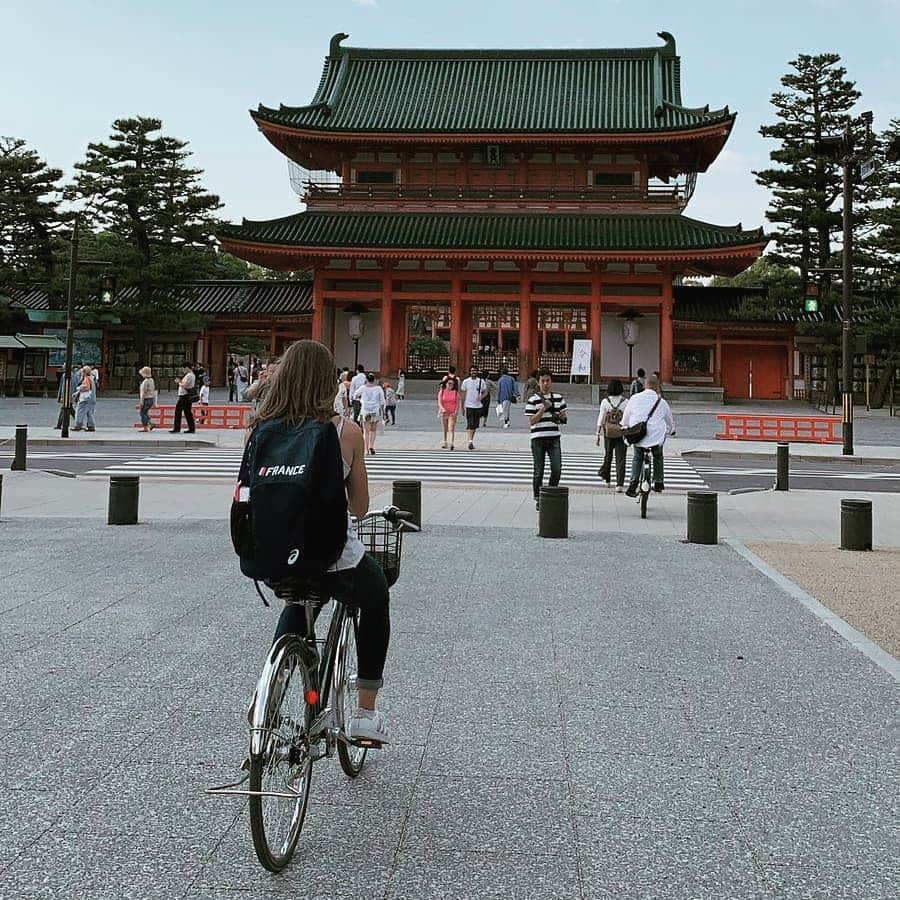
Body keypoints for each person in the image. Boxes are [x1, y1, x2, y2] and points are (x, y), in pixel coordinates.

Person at [252, 339, 391, 744]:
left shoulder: (260, 429)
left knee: (299, 600)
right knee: (376, 596)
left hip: (274, 554)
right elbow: (361, 507)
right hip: (333, 556)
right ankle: (365, 711)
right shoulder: (344, 432)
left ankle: (269, 695)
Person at [622, 373, 675, 496]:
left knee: (637, 457)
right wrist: (672, 430)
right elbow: (670, 422)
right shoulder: (662, 402)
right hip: (656, 438)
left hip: (637, 436)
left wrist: (625, 426)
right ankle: (658, 482)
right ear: (657, 387)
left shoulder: (634, 398)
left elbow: (625, 419)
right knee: (658, 456)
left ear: (645, 386)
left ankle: (633, 483)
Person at [525, 368, 567, 510]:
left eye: (547, 380)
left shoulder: (559, 398)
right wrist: (543, 409)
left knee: (557, 468)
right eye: (542, 381)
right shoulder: (532, 400)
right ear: (538, 382)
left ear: (551, 381)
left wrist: (561, 416)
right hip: (538, 438)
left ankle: (550, 492)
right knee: (539, 471)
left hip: (554, 437)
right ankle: (538, 497)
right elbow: (532, 421)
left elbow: (563, 419)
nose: (545, 383)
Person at [596, 379, 628, 492]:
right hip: (621, 433)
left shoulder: (605, 402)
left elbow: (601, 417)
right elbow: (628, 418)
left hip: (608, 433)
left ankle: (607, 480)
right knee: (621, 458)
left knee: (608, 456)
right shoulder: (625, 402)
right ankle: (619, 484)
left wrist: (597, 433)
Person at [355, 372, 385, 455]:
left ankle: (366, 449)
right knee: (373, 430)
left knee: (366, 431)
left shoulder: (363, 388)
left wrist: (360, 398)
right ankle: (371, 446)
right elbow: (382, 401)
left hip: (365, 410)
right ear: (374, 380)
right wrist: (383, 412)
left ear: (366, 379)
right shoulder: (378, 388)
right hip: (375, 411)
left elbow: (355, 395)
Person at [460, 365, 488, 450]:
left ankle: (471, 439)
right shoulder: (466, 382)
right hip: (469, 405)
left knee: (475, 425)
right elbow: (463, 394)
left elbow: (485, 391)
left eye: (475, 371)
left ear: (477, 372)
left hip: (478, 405)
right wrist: (462, 407)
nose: (473, 372)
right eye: (472, 371)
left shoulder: (481, 381)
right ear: (470, 372)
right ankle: (470, 441)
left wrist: (481, 397)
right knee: (470, 423)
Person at [170, 362, 196, 433]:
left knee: (178, 411)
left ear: (187, 368)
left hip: (185, 395)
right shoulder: (190, 375)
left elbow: (185, 385)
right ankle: (191, 428)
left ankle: (177, 428)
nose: (183, 370)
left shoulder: (189, 375)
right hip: (185, 395)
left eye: (183, 369)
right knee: (187, 412)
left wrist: (179, 382)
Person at [437, 372, 460, 450]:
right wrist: (443, 409)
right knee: (445, 428)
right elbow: (439, 402)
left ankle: (451, 443)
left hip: (452, 412)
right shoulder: (442, 392)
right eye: (449, 383)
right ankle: (445, 441)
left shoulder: (456, 393)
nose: (450, 385)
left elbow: (457, 403)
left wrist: (456, 411)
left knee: (451, 427)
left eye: (452, 384)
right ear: (446, 384)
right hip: (444, 412)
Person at [71, 365, 97, 432]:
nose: (81, 373)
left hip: (85, 399)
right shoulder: (92, 378)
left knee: (79, 411)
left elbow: (87, 387)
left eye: (82, 372)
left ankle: (78, 425)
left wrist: (80, 388)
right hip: (92, 398)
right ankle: (91, 426)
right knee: (89, 413)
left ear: (85, 372)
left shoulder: (86, 378)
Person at [138, 366, 157, 432]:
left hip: (146, 399)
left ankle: (146, 427)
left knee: (142, 413)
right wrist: (154, 402)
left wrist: (141, 401)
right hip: (151, 398)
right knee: (145, 412)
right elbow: (154, 391)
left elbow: (143, 392)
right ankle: (150, 423)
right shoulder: (152, 380)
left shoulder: (145, 381)